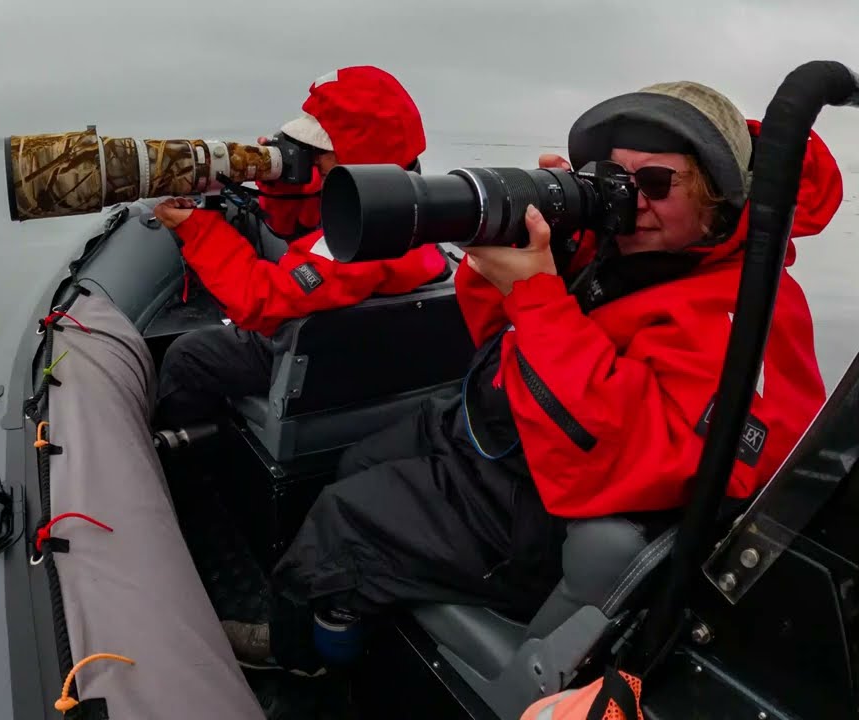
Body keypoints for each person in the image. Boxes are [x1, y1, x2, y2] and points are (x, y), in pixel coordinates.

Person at [220, 80, 843, 674]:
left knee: (342, 522)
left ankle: (308, 654)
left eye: (656, 181)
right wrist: (524, 243)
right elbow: (493, 332)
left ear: (718, 195)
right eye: (614, 179)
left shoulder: (745, 305)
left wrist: (541, 296)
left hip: (559, 504)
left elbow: (648, 456)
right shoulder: (631, 250)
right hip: (508, 435)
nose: (632, 201)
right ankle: (364, 606)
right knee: (359, 460)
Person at [152, 65, 448, 430]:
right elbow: (298, 232)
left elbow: (258, 300)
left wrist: (199, 229)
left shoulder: (359, 242)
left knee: (188, 356)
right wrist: (280, 186)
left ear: (361, 153)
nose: (315, 158)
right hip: (368, 353)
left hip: (318, 356)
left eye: (321, 150)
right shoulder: (410, 211)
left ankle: (190, 457)